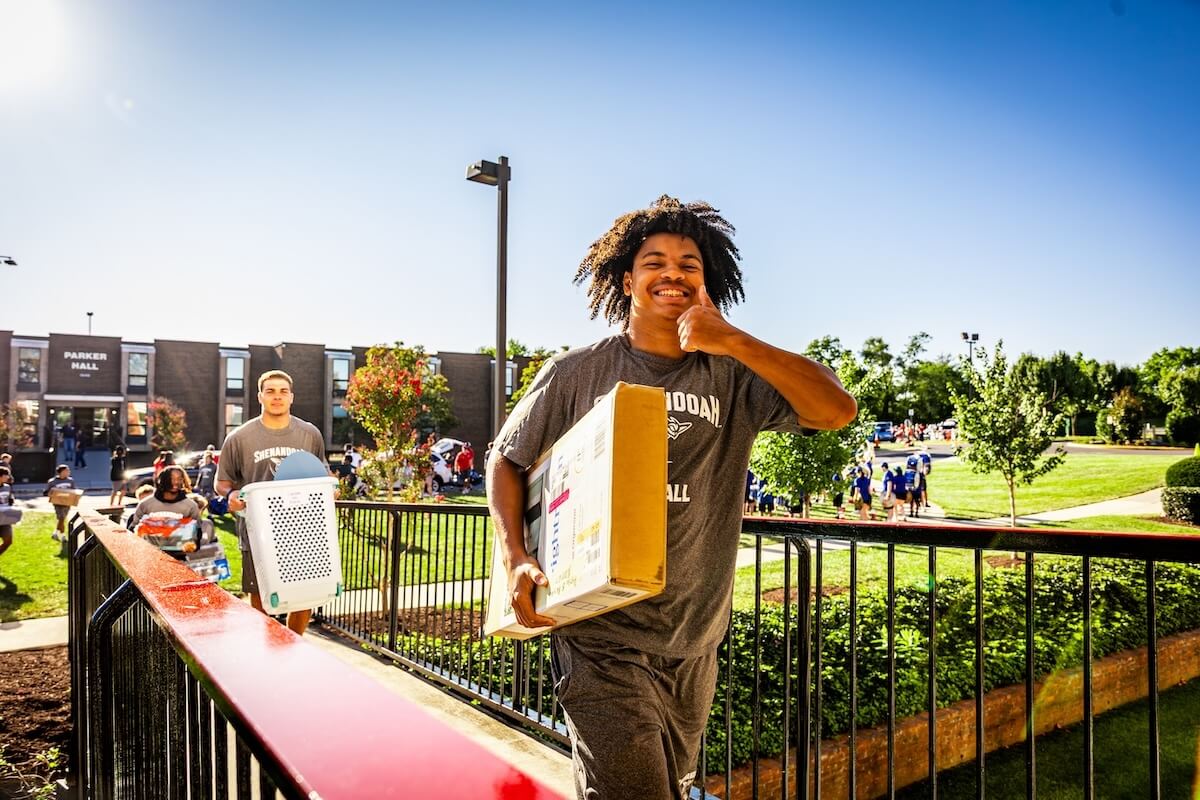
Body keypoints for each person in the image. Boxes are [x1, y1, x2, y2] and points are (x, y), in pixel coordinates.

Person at [486, 195, 856, 799]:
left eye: (690, 265)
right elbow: (506, 458)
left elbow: (836, 409)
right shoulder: (578, 371)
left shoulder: (734, 375)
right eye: (655, 261)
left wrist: (733, 340)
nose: (673, 274)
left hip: (695, 639)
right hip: (599, 632)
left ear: (708, 284)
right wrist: (514, 556)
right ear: (627, 279)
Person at [216, 370, 327, 636]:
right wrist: (230, 496)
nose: (277, 396)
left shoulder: (309, 434)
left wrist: (329, 490)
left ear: (292, 397)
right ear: (260, 397)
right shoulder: (239, 437)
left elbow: (322, 473)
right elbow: (223, 482)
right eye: (270, 391)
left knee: (304, 596)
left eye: (283, 391)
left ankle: (294, 646)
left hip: (302, 530)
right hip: (257, 532)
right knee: (261, 597)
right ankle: (265, 652)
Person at [130, 465, 202, 553]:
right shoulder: (146, 504)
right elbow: (133, 530)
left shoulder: (190, 506)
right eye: (171, 478)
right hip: (149, 554)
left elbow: (197, 532)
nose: (175, 482)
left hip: (179, 557)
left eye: (179, 479)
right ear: (162, 480)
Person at [44, 464, 77, 541]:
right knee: (61, 518)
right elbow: (46, 492)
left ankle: (55, 533)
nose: (68, 472)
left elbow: (74, 491)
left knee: (62, 519)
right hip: (57, 503)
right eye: (66, 471)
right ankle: (63, 536)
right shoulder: (52, 481)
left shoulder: (70, 481)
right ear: (61, 472)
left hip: (67, 503)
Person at [0, 466, 17, 557]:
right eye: (6, 475)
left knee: (8, 541)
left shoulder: (7, 487)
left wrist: (11, 501)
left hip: (5, 518)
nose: (8, 477)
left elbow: (10, 497)